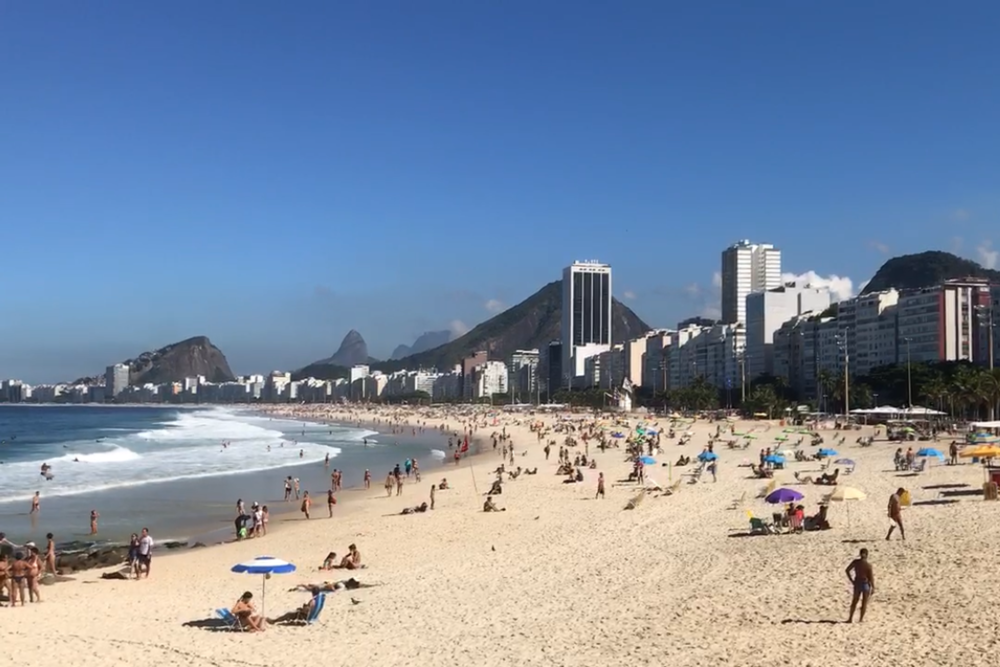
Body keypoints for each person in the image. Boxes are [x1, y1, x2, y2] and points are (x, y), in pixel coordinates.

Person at [845, 548, 874, 623]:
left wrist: (851, 580)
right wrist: (873, 587)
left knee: (854, 601)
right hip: (865, 584)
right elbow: (871, 578)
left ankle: (850, 618)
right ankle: (861, 619)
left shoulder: (856, 562)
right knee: (864, 602)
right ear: (867, 555)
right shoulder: (868, 565)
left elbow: (847, 570)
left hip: (857, 583)